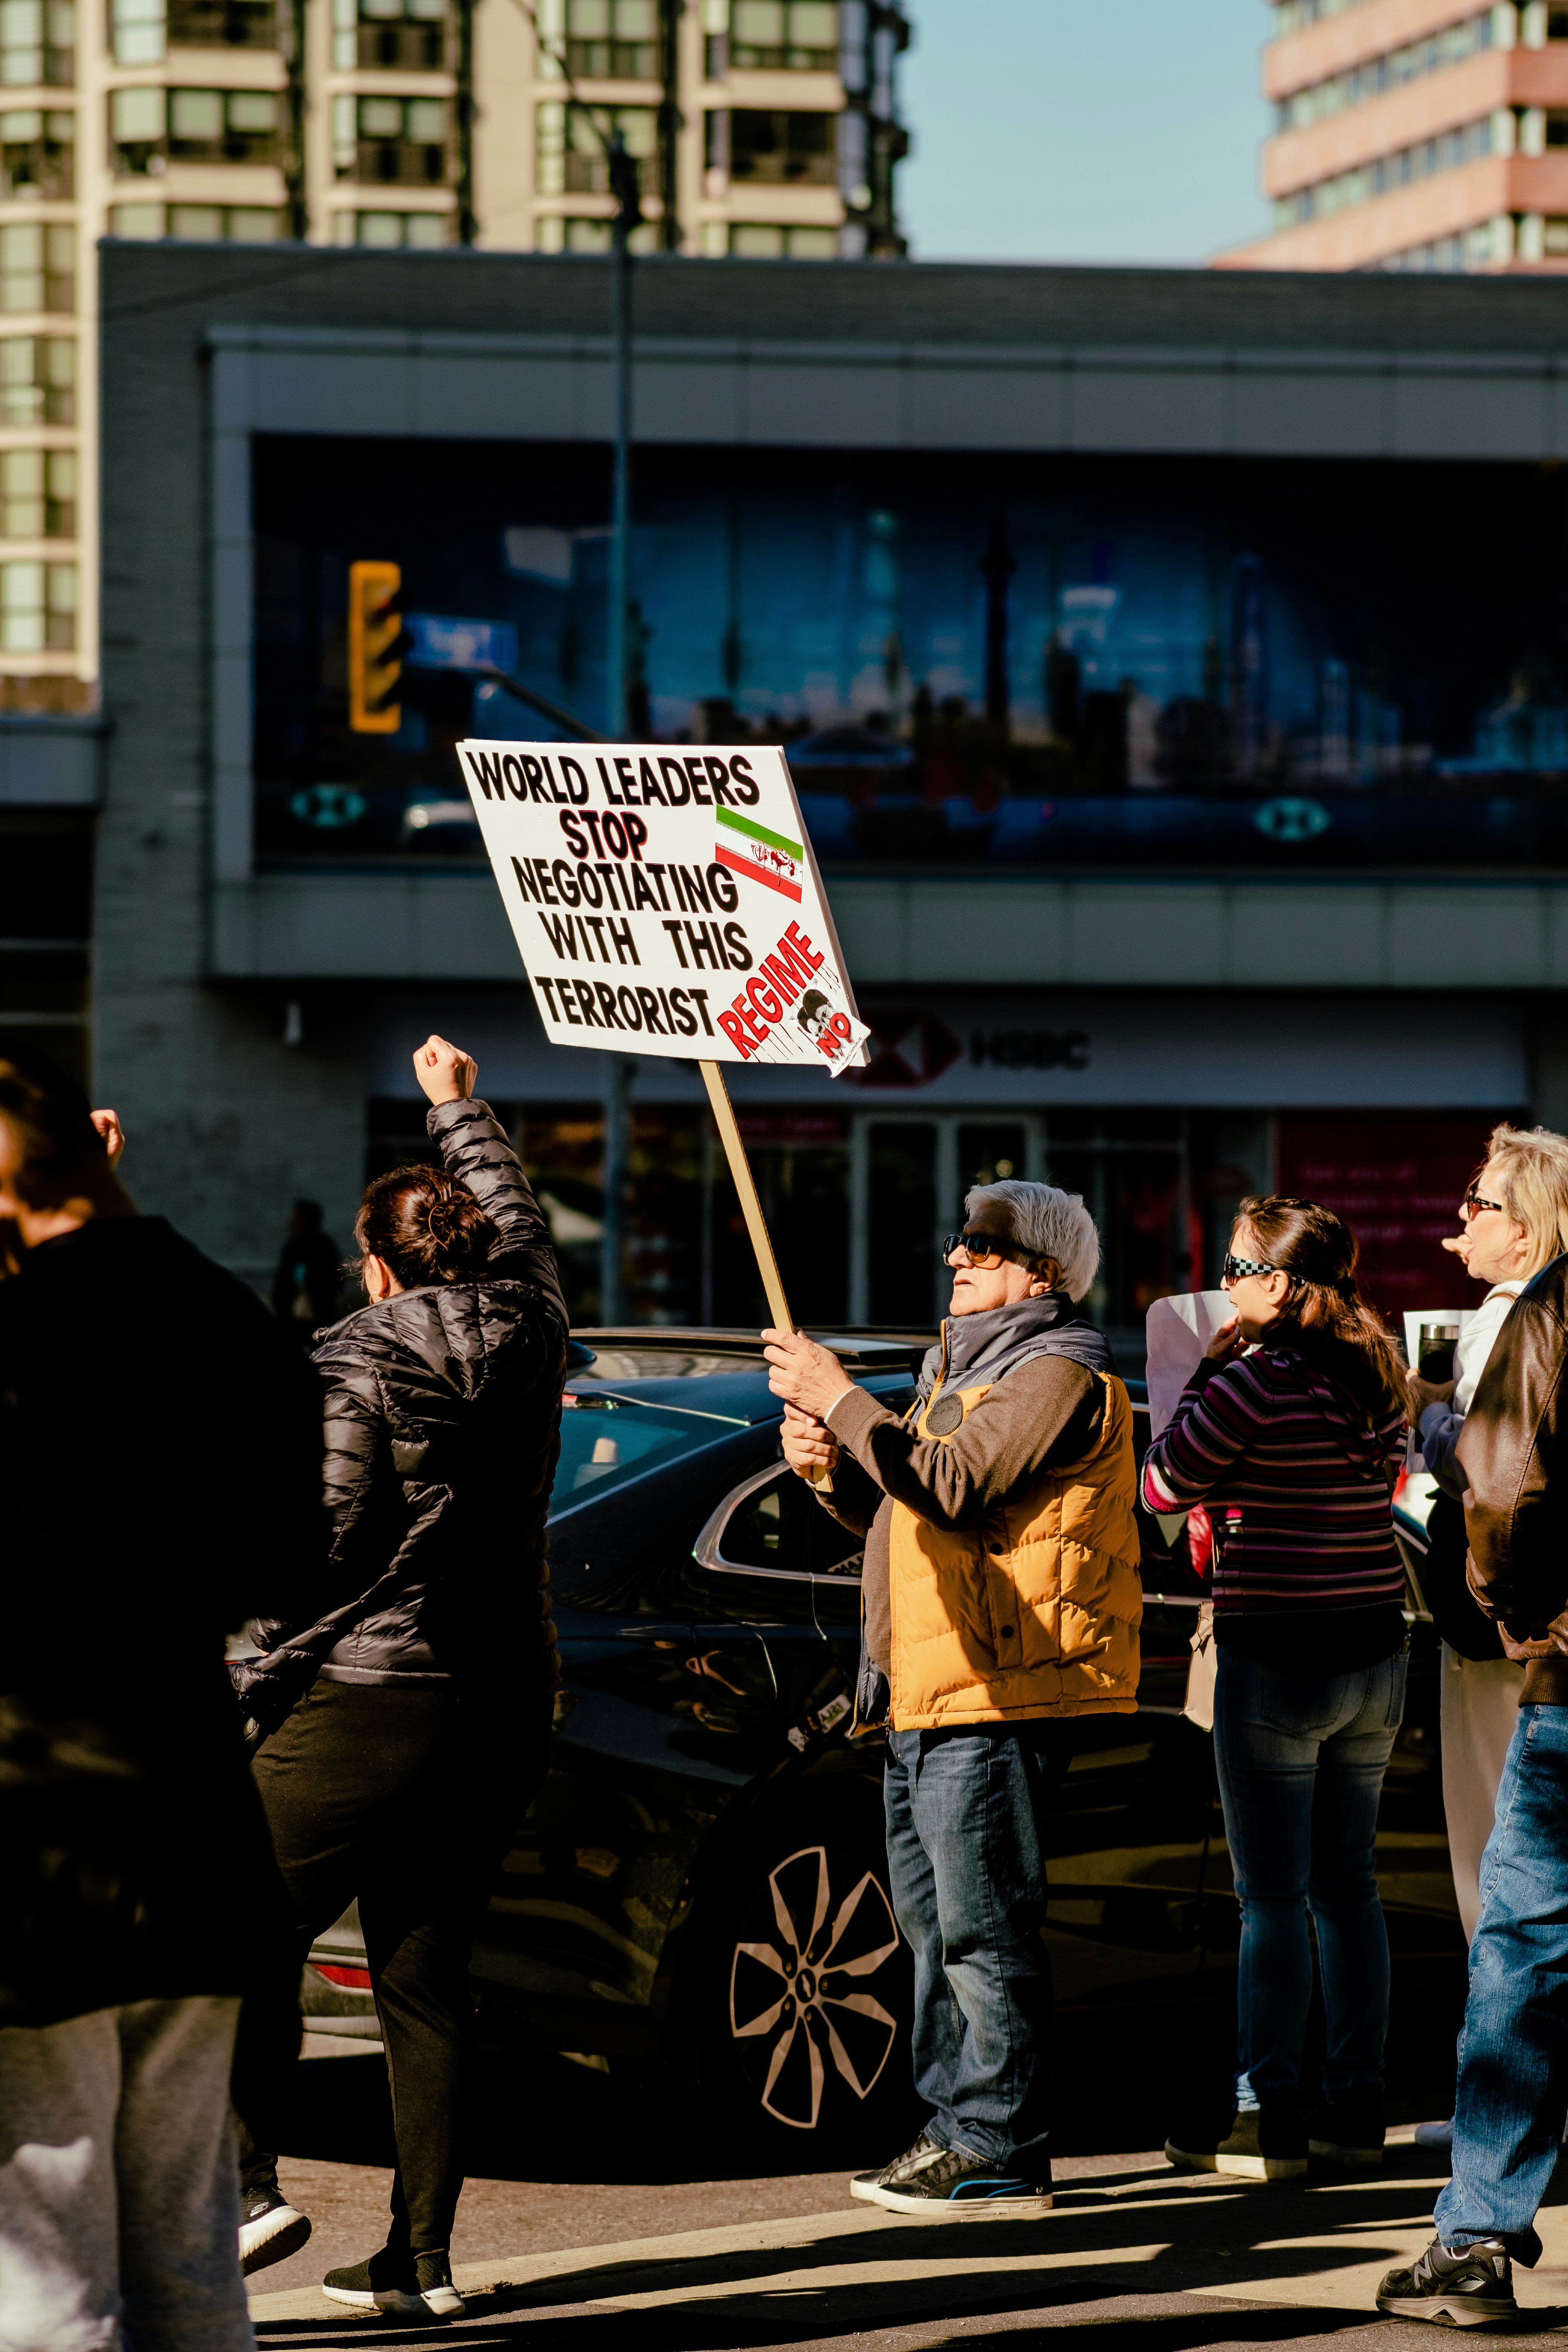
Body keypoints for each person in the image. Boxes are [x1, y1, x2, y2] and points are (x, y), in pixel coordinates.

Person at [233, 1033, 567, 2322]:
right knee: (426, 1981)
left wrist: (255, 1622)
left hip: (375, 1696)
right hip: (504, 1696)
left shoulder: (358, 1352)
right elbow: (519, 1213)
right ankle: (419, 2264)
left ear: (376, 1263)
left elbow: (322, 1540)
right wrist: (460, 1110)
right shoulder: (536, 1317)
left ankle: (249, 2185)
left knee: (229, 1925)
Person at [0, 1044, 322, 2351]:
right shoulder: (237, 1324)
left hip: (39, 1837)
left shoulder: (24, 1335)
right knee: (190, 2256)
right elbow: (288, 1566)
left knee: (47, 2274)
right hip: (192, 1819)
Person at [764, 1178, 1140, 2217]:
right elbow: (910, 1522)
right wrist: (831, 1476)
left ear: (1045, 1275)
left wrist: (842, 1397)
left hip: (995, 1689)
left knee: (982, 1930)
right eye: (959, 1241)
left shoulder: (1057, 1369)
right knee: (934, 1932)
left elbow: (956, 1485)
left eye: (986, 1245)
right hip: (922, 1688)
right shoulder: (953, 1373)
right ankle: (954, 2130)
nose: (959, 1258)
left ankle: (1001, 2144)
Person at [1148, 1196, 1409, 2183]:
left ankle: (1270, 2119)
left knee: (1272, 1900)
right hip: (1375, 1653)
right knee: (1350, 1891)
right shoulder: (1374, 1378)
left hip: (1276, 1662)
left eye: (1243, 1267)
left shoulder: (1251, 1385)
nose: (1230, 1282)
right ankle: (1357, 2106)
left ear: (1285, 1286)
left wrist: (1210, 1370)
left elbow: (1163, 1488)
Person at [1375, 1234, 1568, 2328]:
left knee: (1526, 1950)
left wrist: (1506, 1604)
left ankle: (1481, 2235)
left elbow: (1503, 1485)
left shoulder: (1552, 1308)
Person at [1405, 1128, 1568, 2160]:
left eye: (1481, 1203)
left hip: (1516, 1648)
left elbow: (1493, 1492)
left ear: (1528, 1227)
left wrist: (1424, 1432)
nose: (1461, 1218)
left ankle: (1507, 2128)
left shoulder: (1511, 1321)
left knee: (1503, 1896)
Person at [272, 1196, 342, 1343]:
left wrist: (315, 1290)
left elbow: (335, 1279)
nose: (291, 1224)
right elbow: (282, 1281)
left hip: (319, 1317)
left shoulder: (324, 1248)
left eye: (296, 1219)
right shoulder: (292, 1248)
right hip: (292, 1318)